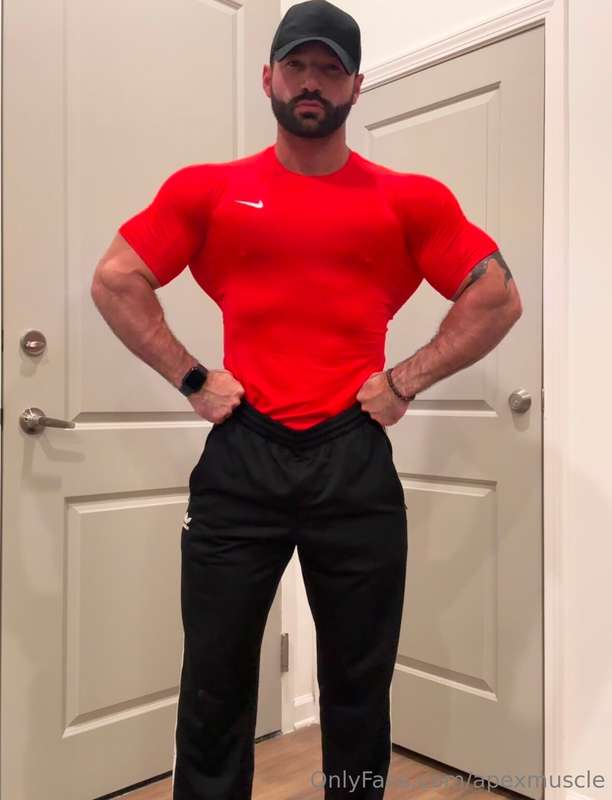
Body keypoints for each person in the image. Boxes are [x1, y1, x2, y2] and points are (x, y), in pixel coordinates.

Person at [91, 1, 523, 797]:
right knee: (215, 681)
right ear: (269, 78)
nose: (312, 82)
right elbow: (117, 279)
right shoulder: (209, 190)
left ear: (357, 85)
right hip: (243, 458)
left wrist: (404, 380)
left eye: (331, 69)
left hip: (351, 459)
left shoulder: (409, 199)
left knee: (358, 686)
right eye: (298, 66)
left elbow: (496, 296)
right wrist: (193, 379)